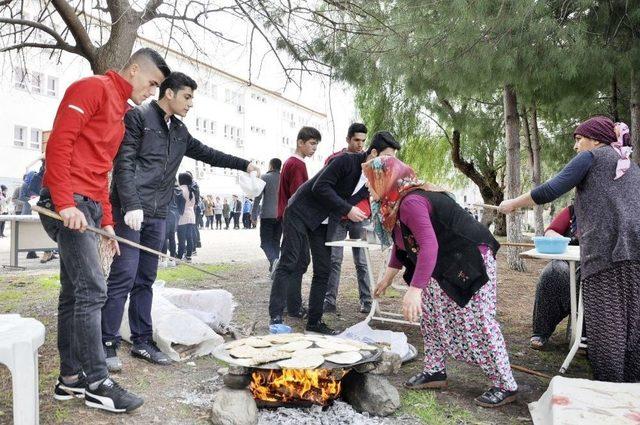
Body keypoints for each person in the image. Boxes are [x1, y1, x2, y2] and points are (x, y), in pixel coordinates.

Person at [36, 47, 170, 413]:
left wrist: (107, 221)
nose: (152, 92)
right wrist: (64, 203)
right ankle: (97, 382)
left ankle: (70, 380)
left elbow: (102, 170)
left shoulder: (123, 111)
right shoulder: (90, 88)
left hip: (90, 205)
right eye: (152, 83)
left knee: (73, 292)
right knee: (94, 289)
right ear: (133, 69)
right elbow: (60, 143)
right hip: (67, 201)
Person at [103, 72, 255, 370]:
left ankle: (142, 341)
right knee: (123, 276)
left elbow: (209, 154)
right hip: (131, 211)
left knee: (145, 279)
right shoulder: (138, 118)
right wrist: (131, 204)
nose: (190, 103)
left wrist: (244, 163)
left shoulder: (180, 131)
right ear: (169, 93)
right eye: (187, 96)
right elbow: (123, 163)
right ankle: (106, 342)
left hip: (159, 214)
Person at [368, 156, 518, 407]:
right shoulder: (393, 205)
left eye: (371, 180)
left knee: (479, 320)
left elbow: (428, 244)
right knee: (431, 315)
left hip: (468, 257)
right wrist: (387, 277)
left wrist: (415, 289)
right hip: (440, 259)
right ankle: (435, 370)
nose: (368, 186)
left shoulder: (411, 201)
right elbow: (402, 241)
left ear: (387, 180)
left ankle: (506, 384)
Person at [499, 116, 640, 383]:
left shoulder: (593, 157)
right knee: (633, 325)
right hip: (636, 252)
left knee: (607, 327)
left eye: (579, 139)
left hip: (605, 254)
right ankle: (632, 392)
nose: (576, 147)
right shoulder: (631, 166)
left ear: (596, 139)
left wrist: (513, 204)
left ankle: (610, 391)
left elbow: (552, 188)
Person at [270, 131, 400, 335]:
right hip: (299, 212)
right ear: (374, 153)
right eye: (388, 158)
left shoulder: (372, 178)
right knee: (290, 261)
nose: (391, 164)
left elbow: (362, 201)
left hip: (322, 221)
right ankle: (276, 316)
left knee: (324, 269)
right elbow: (320, 187)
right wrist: (347, 209)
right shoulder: (345, 161)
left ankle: (314, 322)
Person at [323, 123, 373, 314]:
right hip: (337, 215)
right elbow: (326, 187)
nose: (360, 144)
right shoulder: (334, 159)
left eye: (363, 141)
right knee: (334, 260)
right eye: (356, 140)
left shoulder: (370, 161)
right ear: (348, 139)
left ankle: (367, 301)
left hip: (360, 217)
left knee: (362, 261)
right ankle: (329, 301)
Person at [272, 127, 319, 317]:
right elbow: (298, 195)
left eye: (316, 144)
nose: (314, 148)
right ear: (300, 142)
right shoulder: (297, 164)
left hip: (293, 217)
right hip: (296, 218)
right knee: (290, 263)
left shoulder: (292, 163)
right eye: (312, 143)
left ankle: (293, 305)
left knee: (300, 261)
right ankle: (282, 308)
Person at [530, 205, 579, 350]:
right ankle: (541, 331)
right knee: (553, 271)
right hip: (568, 265)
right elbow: (550, 231)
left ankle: (587, 336)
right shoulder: (572, 210)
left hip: (598, 267)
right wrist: (564, 239)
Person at [252, 158, 282, 272]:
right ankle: (274, 270)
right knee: (275, 242)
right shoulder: (284, 178)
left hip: (267, 215)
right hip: (281, 215)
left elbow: (257, 198)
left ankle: (274, 261)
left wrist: (253, 215)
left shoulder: (264, 178)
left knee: (265, 243)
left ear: (271, 166)